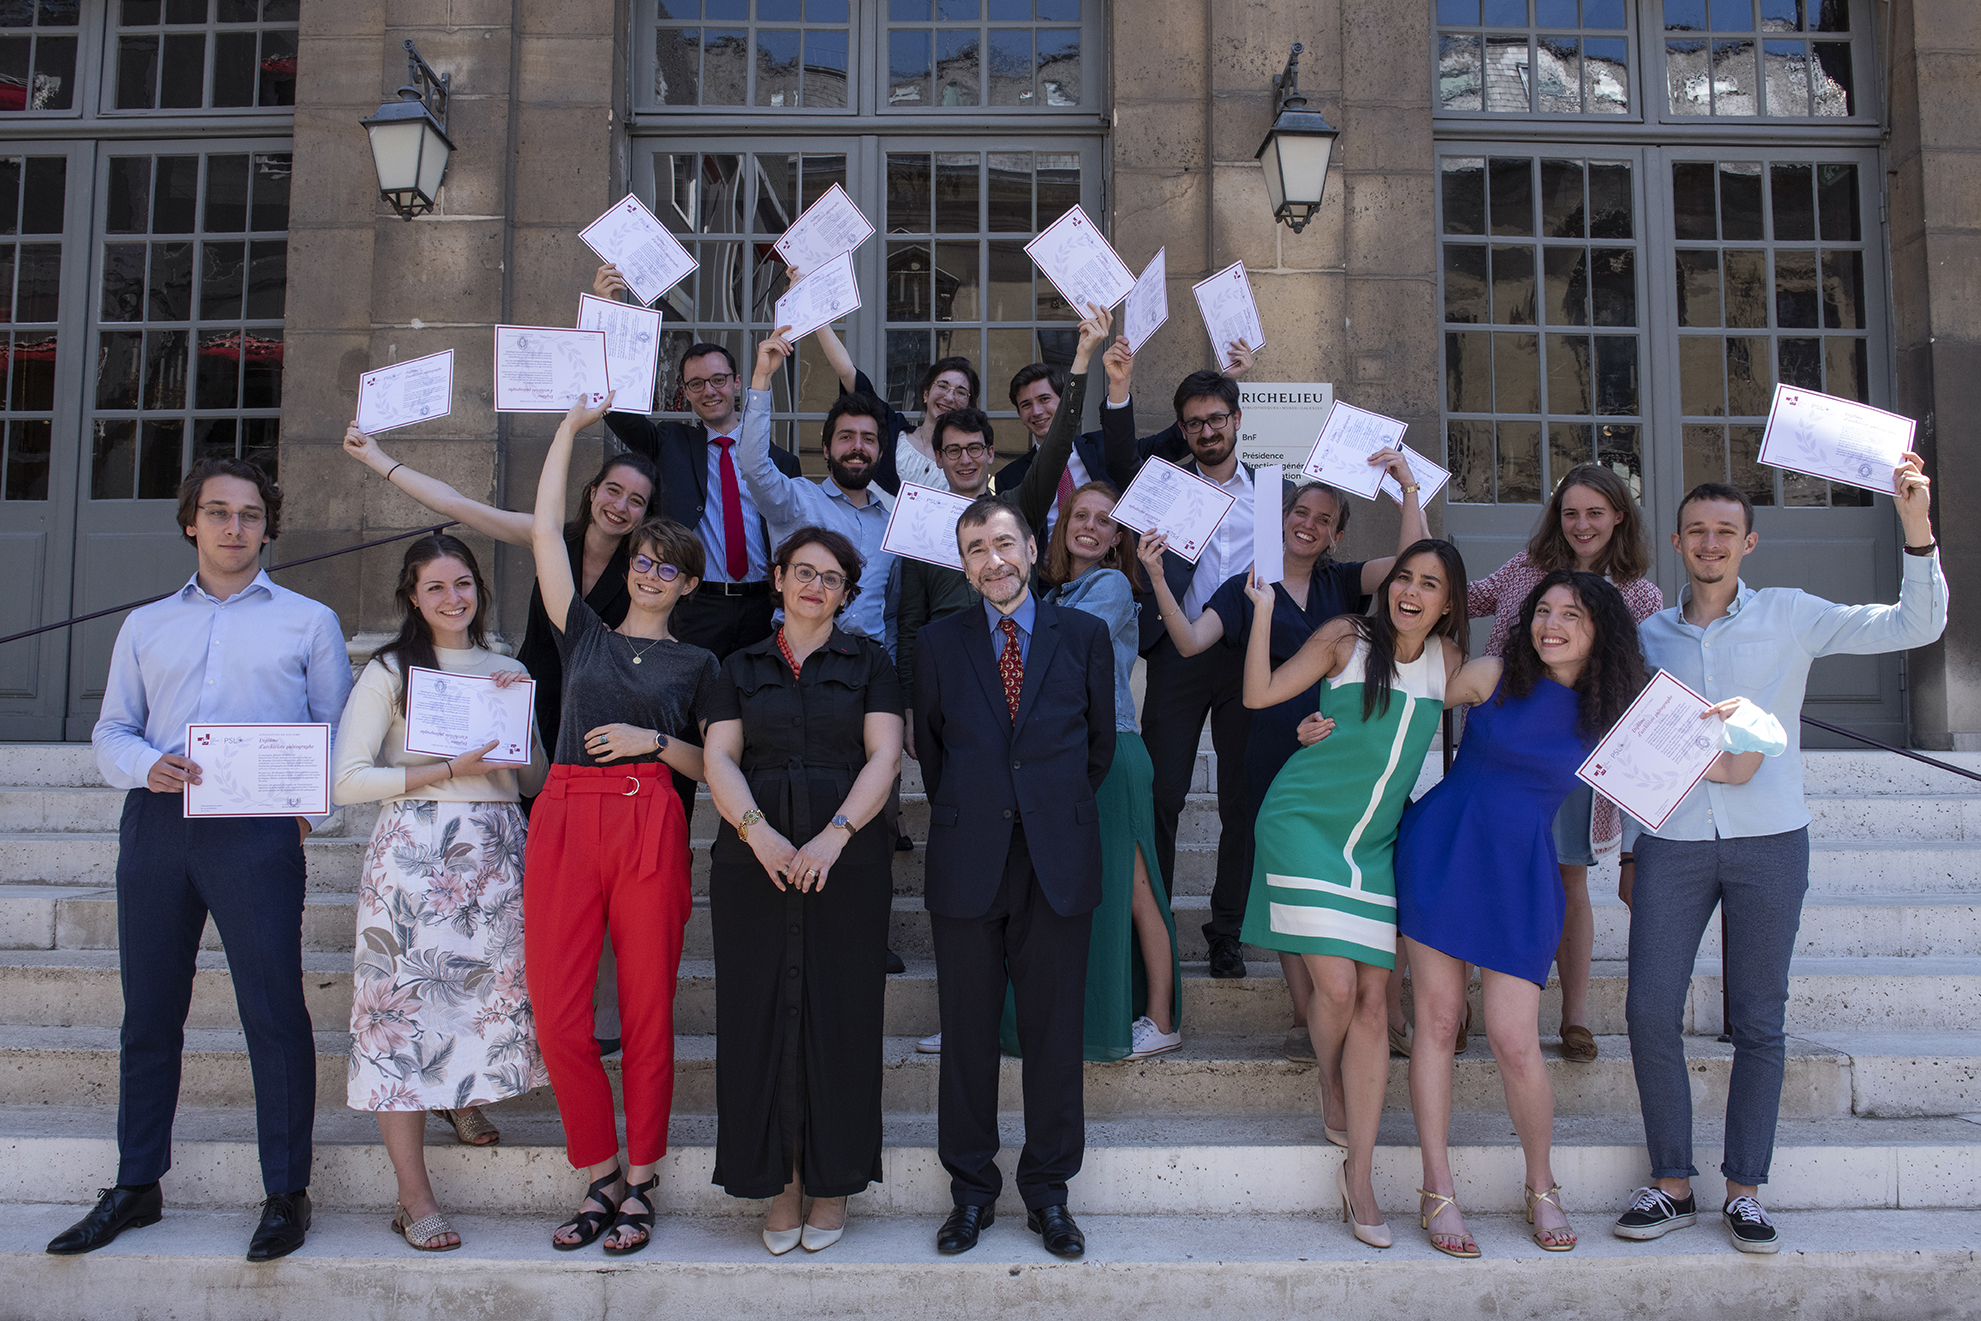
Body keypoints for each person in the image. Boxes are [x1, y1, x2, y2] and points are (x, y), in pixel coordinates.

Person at [1612, 469, 1945, 1256]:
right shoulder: (1648, 634)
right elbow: (1633, 748)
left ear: (1747, 542)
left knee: (1758, 1019)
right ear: (1676, 542)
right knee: (1647, 1009)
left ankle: (1744, 1191)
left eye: (1724, 531)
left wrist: (1916, 527)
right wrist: (1629, 846)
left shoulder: (1792, 614)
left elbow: (1916, 623)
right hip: (1672, 844)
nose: (1709, 543)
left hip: (1770, 841)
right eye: (1696, 530)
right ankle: (1670, 1183)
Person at [51, 458, 352, 1262]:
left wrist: (302, 813)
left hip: (255, 830)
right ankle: (137, 1182)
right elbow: (113, 727)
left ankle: (286, 1192)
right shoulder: (147, 624)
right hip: (156, 822)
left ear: (267, 525)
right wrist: (141, 763)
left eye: (249, 514)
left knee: (273, 1012)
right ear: (191, 521)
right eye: (216, 512)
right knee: (149, 1013)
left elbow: (336, 733)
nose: (232, 527)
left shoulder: (307, 621)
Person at [342, 424, 658, 1059]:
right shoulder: (551, 541)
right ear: (591, 491)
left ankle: (589, 1016)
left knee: (596, 882)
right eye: (613, 491)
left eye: (637, 501)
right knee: (553, 887)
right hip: (516, 712)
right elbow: (459, 507)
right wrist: (380, 461)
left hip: (596, 728)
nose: (621, 507)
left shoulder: (645, 565)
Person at [1394, 570, 1668, 1258]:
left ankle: (1540, 1184)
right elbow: (1394, 699)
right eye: (1541, 611)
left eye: (1569, 615)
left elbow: (1695, 772)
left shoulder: (1609, 710)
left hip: (1521, 872)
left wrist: (1729, 730)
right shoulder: (1490, 674)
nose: (1549, 624)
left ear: (1599, 628)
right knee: (1435, 1021)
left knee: (1515, 1040)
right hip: (1444, 850)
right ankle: (1436, 1188)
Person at [1140, 471, 1428, 1064]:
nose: (1309, 524)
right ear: (1282, 518)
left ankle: (1374, 1011)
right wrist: (1155, 577)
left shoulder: (1343, 584)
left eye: (1324, 519)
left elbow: (1413, 561)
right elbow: (1192, 642)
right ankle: (1304, 1016)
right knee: (1290, 877)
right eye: (1302, 513)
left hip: (1339, 746)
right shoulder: (1245, 585)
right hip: (1271, 737)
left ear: (1336, 536)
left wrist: (1409, 493)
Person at [525, 393, 720, 1257]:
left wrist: (654, 740)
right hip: (565, 816)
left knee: (644, 1011)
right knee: (561, 1016)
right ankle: (596, 1166)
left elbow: (716, 767)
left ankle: (638, 1181)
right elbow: (541, 537)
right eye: (642, 560)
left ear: (686, 583)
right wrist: (567, 434)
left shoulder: (698, 662)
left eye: (665, 567)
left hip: (650, 823)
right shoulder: (585, 636)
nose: (648, 573)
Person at [1237, 540, 1471, 1249]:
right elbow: (1257, 694)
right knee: (1336, 989)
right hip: (1302, 822)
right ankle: (1329, 1076)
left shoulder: (1449, 663)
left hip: (1373, 849)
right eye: (1402, 575)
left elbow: (1508, 693)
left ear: (1447, 602)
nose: (1410, 589)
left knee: (1375, 1001)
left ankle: (1359, 1174)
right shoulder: (1347, 637)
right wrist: (1262, 610)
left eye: (1429, 583)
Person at [330, 533, 550, 1251]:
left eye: (464, 585)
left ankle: (462, 1098)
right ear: (411, 596)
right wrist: (441, 767)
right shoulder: (391, 669)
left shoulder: (506, 668)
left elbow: (536, 781)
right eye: (435, 588)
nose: (452, 599)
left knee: (484, 997)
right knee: (403, 1017)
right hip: (417, 857)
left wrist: (520, 721)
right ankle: (412, 1194)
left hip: (491, 855)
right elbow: (347, 778)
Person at [916, 495, 1115, 1260]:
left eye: (1003, 543)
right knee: (967, 1033)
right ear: (962, 563)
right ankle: (970, 1193)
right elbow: (933, 755)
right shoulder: (937, 644)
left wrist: (1041, 808)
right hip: (969, 860)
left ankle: (1048, 1193)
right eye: (975, 549)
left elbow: (1096, 746)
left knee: (1053, 1033)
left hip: (1055, 859)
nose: (991, 560)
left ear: (1031, 548)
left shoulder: (1086, 635)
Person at [702, 527, 904, 1255]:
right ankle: (776, 1185)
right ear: (779, 578)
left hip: (844, 862)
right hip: (750, 862)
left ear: (846, 594)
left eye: (832, 578)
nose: (816, 586)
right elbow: (720, 757)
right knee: (757, 1018)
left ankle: (832, 1185)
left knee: (842, 1018)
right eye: (804, 572)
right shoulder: (737, 666)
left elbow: (883, 754)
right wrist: (758, 832)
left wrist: (835, 834)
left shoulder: (871, 663)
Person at [1466, 463, 1663, 1063]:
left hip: (1577, 751)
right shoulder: (1526, 570)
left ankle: (1573, 1016)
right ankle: (1467, 1001)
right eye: (1571, 512)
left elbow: (1649, 686)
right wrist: (1413, 508)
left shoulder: (1640, 595)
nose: (1581, 525)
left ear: (1619, 518)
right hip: (1503, 744)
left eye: (1595, 513)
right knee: (1490, 871)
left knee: (1567, 879)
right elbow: (1461, 599)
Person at [1006, 478, 1180, 1061]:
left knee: (1132, 885)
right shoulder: (1051, 597)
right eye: (1080, 514)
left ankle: (1159, 1016)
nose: (1090, 525)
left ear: (1115, 539)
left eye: (1105, 520)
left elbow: (1064, 647)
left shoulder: (1109, 585)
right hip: (1068, 757)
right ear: (1062, 526)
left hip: (1114, 750)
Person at [1107, 353, 1263, 979]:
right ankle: (1155, 923)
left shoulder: (1272, 498)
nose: (1206, 431)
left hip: (1250, 659)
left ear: (1236, 419)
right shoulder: (1163, 489)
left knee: (1242, 803)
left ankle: (1227, 930)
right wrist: (1118, 387)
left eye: (1216, 419)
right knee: (1161, 790)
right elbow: (1117, 465)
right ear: (1182, 428)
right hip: (1179, 653)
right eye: (1194, 422)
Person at [592, 263, 807, 660]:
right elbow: (614, 407)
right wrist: (609, 313)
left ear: (737, 383)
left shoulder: (782, 463)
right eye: (696, 384)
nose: (709, 391)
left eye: (719, 380)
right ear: (685, 393)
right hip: (696, 606)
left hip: (766, 606)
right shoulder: (669, 443)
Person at [739, 330, 896, 642]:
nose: (857, 447)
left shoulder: (891, 523)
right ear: (826, 449)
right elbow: (753, 467)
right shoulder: (796, 500)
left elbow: (891, 612)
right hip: (802, 657)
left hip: (870, 666)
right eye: (846, 436)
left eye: (868, 439)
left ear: (880, 452)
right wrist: (761, 380)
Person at [811, 318, 978, 495]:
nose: (949, 397)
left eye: (960, 392)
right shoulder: (891, 427)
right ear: (926, 393)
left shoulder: (967, 459)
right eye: (942, 386)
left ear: (969, 404)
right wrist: (815, 317)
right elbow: (846, 371)